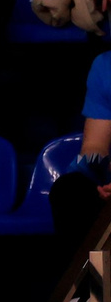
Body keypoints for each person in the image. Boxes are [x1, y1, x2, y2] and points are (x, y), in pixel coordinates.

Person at [49, 45, 111, 246]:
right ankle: (82, 277)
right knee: (68, 191)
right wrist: (104, 166)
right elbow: (95, 145)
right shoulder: (104, 65)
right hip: (107, 178)